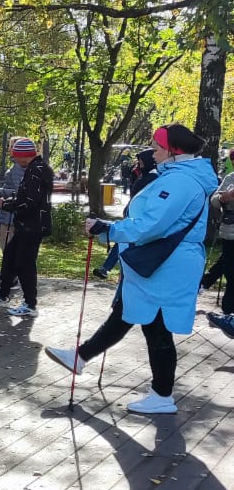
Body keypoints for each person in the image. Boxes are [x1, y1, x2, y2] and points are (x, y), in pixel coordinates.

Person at [46, 123, 215, 414]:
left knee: (156, 326)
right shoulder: (178, 175)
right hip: (162, 263)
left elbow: (152, 224)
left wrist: (109, 230)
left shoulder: (180, 181)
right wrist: (110, 230)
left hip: (167, 264)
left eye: (157, 146)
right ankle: (81, 357)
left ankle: (162, 396)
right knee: (130, 313)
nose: (153, 150)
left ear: (173, 150)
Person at [0, 138, 53, 316]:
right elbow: (26, 197)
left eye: (16, 156)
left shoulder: (36, 171)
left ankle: (30, 304)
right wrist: (9, 201)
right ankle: (2, 294)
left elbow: (29, 202)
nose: (14, 159)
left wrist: (5, 205)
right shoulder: (35, 168)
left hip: (33, 225)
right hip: (26, 224)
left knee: (24, 263)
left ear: (23, 156)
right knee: (10, 256)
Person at [93, 147, 158, 280]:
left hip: (139, 219)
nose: (139, 164)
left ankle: (108, 268)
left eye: (141, 161)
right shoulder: (142, 175)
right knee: (122, 241)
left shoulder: (153, 178)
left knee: (124, 240)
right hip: (132, 215)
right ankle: (108, 269)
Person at [203, 161, 234, 331]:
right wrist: (223, 197)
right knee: (229, 269)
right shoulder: (231, 178)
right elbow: (214, 200)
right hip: (230, 232)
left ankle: (228, 313)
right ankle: (228, 314)